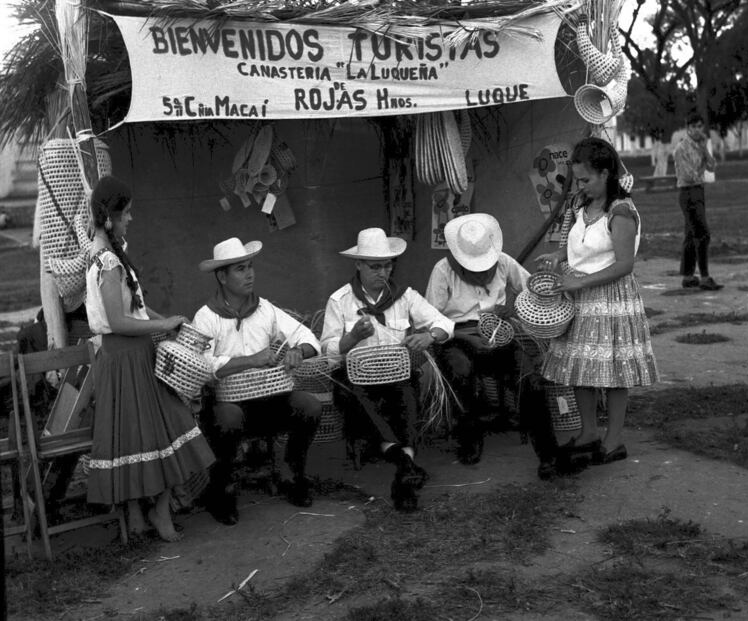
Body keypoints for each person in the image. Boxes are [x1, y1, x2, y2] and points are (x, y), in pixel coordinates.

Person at [85, 175, 214, 542]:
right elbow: (117, 321)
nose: (130, 219)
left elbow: (136, 308)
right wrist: (163, 326)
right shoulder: (108, 262)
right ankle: (154, 511)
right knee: (152, 431)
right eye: (126, 213)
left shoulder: (109, 255)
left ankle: (146, 513)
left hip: (129, 356)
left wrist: (164, 320)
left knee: (146, 433)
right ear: (110, 216)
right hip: (126, 358)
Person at [537, 137, 658, 464]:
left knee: (614, 370)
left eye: (586, 179)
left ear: (605, 174)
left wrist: (580, 281)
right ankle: (588, 432)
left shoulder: (621, 212)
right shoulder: (582, 206)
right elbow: (582, 245)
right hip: (581, 297)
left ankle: (613, 441)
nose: (581, 186)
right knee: (582, 367)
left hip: (611, 299)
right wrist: (559, 255)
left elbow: (624, 264)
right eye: (578, 180)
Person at [321, 228, 453, 512]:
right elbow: (328, 352)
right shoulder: (340, 300)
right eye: (375, 266)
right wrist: (352, 338)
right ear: (358, 265)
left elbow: (444, 323)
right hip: (354, 378)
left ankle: (402, 466)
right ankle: (406, 463)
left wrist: (429, 336)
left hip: (396, 373)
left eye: (387, 265)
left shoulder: (405, 296)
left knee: (407, 395)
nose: (383, 272)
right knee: (357, 397)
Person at [192, 237, 322, 525]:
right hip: (228, 404)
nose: (250, 274)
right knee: (228, 418)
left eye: (250, 267)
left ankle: (292, 473)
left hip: (270, 399)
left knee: (309, 406)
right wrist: (250, 360)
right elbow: (202, 366)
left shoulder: (265, 309)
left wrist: (298, 351)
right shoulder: (206, 317)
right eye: (240, 269)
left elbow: (307, 336)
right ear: (222, 276)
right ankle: (222, 488)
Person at [425, 213, 530, 465]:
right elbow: (431, 318)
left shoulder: (503, 262)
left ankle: (528, 426)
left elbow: (531, 289)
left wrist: (513, 309)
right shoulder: (443, 270)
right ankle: (470, 435)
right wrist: (466, 338)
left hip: (498, 330)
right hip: (456, 335)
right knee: (461, 369)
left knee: (525, 368)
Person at [673, 112, 722, 290]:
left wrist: (704, 149)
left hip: (698, 191)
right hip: (688, 192)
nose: (697, 130)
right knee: (702, 234)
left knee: (691, 234)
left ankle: (688, 276)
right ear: (688, 128)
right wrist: (700, 173)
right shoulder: (682, 148)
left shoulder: (700, 145)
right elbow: (688, 175)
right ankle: (705, 276)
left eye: (700, 126)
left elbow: (712, 166)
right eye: (693, 126)